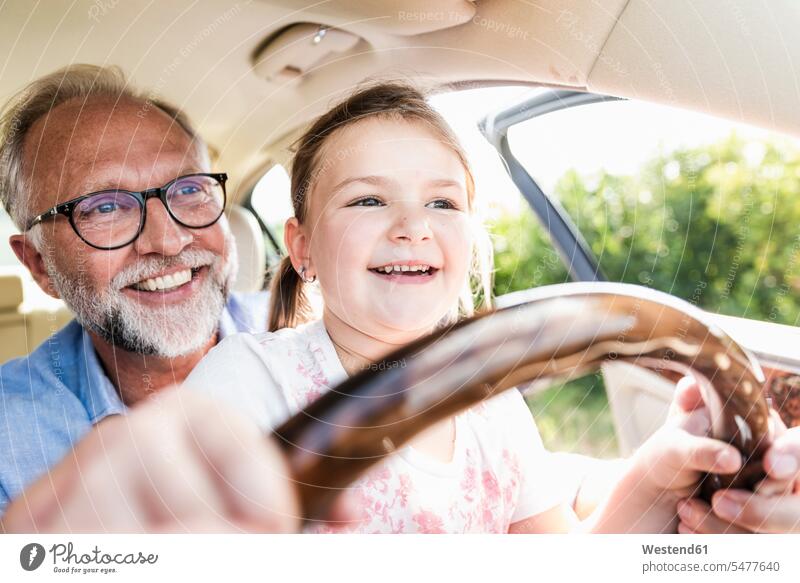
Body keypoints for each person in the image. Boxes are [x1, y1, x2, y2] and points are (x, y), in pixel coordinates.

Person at [183, 82, 772, 533]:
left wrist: (656, 478)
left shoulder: (495, 404)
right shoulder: (251, 380)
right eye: (368, 199)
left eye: (442, 201)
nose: (413, 226)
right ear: (303, 248)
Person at [0, 64, 296, 529]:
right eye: (105, 206)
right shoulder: (8, 433)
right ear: (40, 265)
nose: (169, 240)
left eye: (189, 189)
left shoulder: (317, 341)